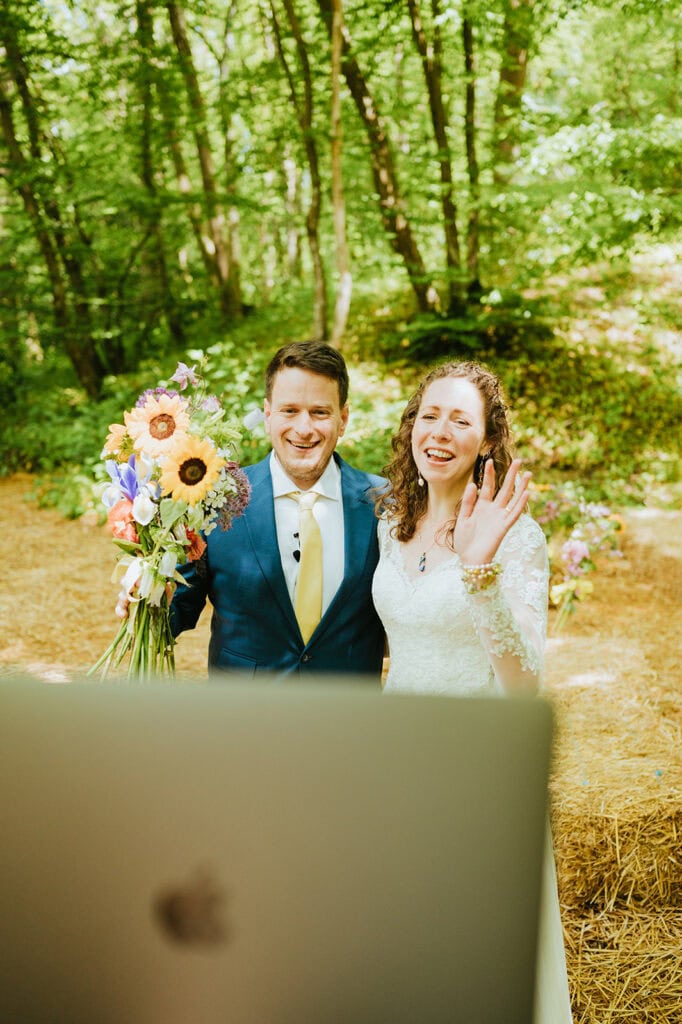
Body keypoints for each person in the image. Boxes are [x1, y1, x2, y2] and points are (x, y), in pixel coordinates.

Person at [371, 360, 573, 1023]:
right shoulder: (392, 518)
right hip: (397, 761)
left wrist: (480, 571)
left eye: (461, 420)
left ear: (487, 440)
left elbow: (523, 688)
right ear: (411, 427)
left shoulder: (516, 538)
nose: (440, 431)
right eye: (430, 415)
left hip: (472, 769)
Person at [169, 341, 386, 678]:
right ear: (268, 416)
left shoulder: (384, 503)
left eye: (320, 412)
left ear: (343, 419)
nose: (304, 428)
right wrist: (144, 591)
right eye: (289, 411)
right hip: (246, 720)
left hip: (347, 719)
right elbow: (174, 610)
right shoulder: (214, 499)